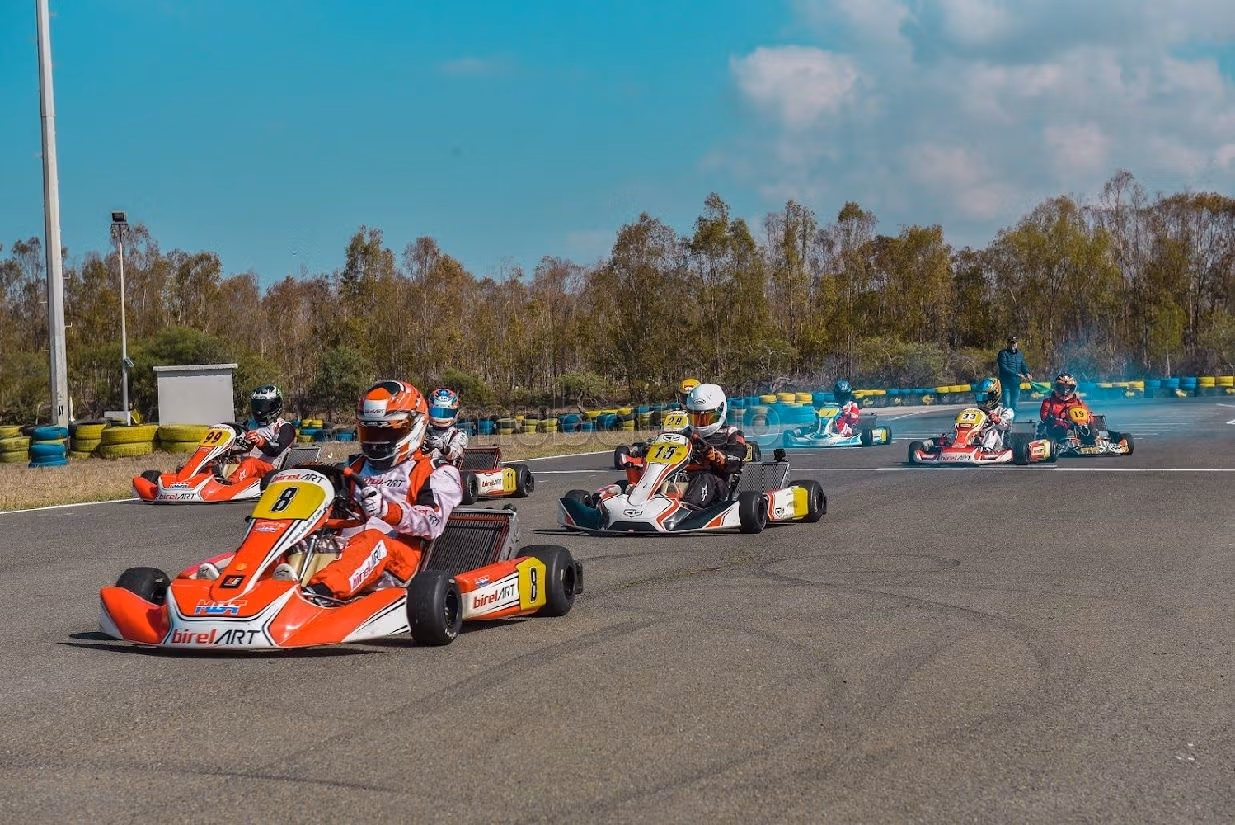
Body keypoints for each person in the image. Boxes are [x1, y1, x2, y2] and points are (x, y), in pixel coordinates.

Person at [306, 380, 462, 600]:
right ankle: (252, 587)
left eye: (385, 433)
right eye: (370, 432)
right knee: (295, 539)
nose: (376, 442)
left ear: (413, 427)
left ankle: (318, 595)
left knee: (372, 538)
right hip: (344, 550)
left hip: (396, 560)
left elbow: (432, 524)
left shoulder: (434, 472)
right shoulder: (354, 466)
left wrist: (387, 510)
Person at [681, 383, 747, 509]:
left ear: (720, 411)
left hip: (718, 485)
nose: (700, 423)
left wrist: (717, 456)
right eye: (695, 417)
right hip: (685, 476)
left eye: (706, 417)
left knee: (704, 478)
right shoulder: (686, 433)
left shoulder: (731, 433)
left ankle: (687, 509)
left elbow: (737, 459)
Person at [227, 385, 296, 485]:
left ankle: (228, 485)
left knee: (250, 462)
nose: (260, 410)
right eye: (257, 406)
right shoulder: (249, 424)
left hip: (271, 472)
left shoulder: (285, 427)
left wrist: (261, 441)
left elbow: (276, 450)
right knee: (215, 462)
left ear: (276, 406)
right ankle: (200, 486)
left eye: (264, 406)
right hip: (245, 467)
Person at [424, 387, 469, 466]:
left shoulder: (458, 435)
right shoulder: (423, 431)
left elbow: (454, 454)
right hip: (421, 471)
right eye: (437, 412)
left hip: (447, 473)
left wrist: (442, 447)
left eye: (446, 413)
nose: (441, 416)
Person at [1038, 373, 1088, 440]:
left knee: (1092, 430)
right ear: (1057, 388)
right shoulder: (1048, 402)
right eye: (1062, 388)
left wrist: (1089, 421)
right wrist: (1055, 419)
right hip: (1057, 432)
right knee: (1060, 430)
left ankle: (1093, 442)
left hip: (1078, 428)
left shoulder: (1079, 402)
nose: (1065, 392)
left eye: (1068, 388)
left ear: (1073, 389)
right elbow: (1044, 417)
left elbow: (1088, 415)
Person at [973, 377, 1015, 451]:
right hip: (977, 439)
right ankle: (954, 446)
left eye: (985, 396)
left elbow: (1005, 426)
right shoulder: (975, 413)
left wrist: (997, 419)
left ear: (994, 395)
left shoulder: (1006, 411)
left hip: (997, 445)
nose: (982, 400)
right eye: (980, 396)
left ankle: (986, 450)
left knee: (992, 431)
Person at [996, 337, 1033, 413]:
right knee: (1006, 405)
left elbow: (1023, 366)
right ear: (1008, 343)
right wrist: (1017, 374)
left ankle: (1014, 423)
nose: (1013, 344)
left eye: (1015, 343)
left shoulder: (1019, 354)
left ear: (1017, 344)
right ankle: (1005, 423)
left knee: (1014, 405)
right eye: (1011, 343)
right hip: (1006, 384)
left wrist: (1027, 373)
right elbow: (1003, 368)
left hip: (1016, 384)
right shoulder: (1002, 353)